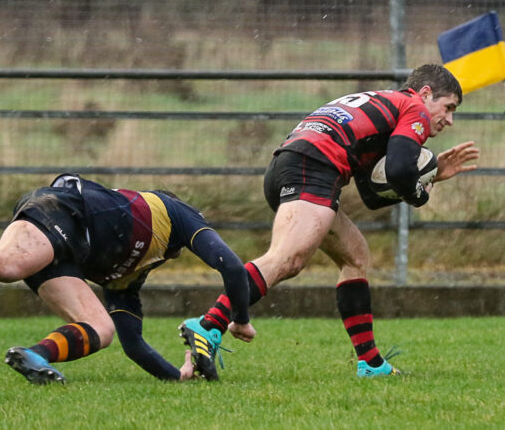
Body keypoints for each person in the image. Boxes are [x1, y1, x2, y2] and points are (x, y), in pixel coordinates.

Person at [179, 64, 480, 378]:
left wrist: (430, 173)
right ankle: (208, 325)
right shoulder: (414, 108)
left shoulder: (381, 106)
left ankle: (371, 363)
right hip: (314, 166)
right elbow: (403, 171)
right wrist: (422, 192)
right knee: (286, 259)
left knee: (355, 255)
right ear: (425, 93)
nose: (449, 119)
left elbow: (373, 196)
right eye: (448, 107)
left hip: (290, 163)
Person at [0, 174, 251, 384]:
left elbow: (134, 346)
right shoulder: (177, 214)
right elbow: (233, 268)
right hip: (66, 211)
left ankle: (36, 355)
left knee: (101, 330)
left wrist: (178, 378)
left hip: (67, 248)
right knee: (6, 266)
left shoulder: (129, 277)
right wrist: (240, 321)